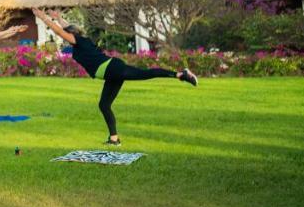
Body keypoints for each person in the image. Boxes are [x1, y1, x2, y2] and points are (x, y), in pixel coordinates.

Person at [33, 8, 197, 145]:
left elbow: (61, 31)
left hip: (112, 69)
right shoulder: (81, 39)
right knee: (104, 105)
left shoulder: (77, 41)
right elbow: (67, 27)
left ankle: (181, 74)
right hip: (109, 73)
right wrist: (59, 17)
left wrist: (44, 18)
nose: (65, 38)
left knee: (145, 74)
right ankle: (114, 139)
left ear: (71, 35)